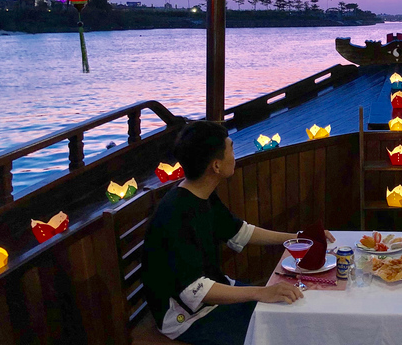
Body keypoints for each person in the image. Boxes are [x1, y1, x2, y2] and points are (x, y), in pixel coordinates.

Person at [142, 120, 334, 345]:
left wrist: (297, 238)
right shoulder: (176, 215)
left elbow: (240, 232)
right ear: (215, 166)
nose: (235, 154)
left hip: (211, 295)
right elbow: (195, 290)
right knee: (280, 332)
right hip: (186, 317)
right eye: (231, 148)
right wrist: (260, 292)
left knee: (295, 308)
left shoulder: (201, 194)